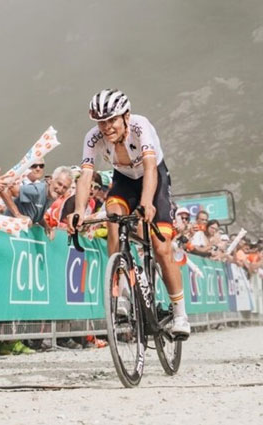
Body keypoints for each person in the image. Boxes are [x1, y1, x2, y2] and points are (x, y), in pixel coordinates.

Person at [68, 89, 190, 338]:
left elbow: (150, 168)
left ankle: (180, 315)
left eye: (111, 119)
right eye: (101, 121)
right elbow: (86, 176)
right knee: (113, 215)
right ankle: (122, 287)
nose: (106, 127)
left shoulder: (140, 126)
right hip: (123, 180)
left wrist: (147, 203)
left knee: (162, 247)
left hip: (154, 179)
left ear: (126, 116)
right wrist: (79, 211)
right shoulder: (92, 137)